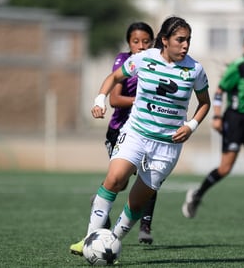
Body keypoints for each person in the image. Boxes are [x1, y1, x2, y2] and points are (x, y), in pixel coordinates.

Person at [70, 16, 210, 255]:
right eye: (180, 39)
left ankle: (111, 243)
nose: (185, 45)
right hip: (135, 133)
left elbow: (204, 102)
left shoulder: (194, 69)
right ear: (164, 41)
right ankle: (89, 239)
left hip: (167, 146)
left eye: (188, 40)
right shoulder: (144, 59)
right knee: (114, 179)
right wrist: (99, 100)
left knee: (136, 202)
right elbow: (114, 77)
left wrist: (192, 125)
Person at [182, 31, 244, 222]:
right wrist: (217, 116)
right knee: (225, 168)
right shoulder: (237, 67)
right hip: (234, 120)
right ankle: (197, 194)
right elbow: (220, 91)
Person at [98, 22, 157, 244]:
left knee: (149, 176)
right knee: (120, 182)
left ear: (152, 42)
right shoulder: (124, 62)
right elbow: (114, 99)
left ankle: (145, 227)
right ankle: (100, 199)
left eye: (145, 41)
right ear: (128, 43)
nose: (141, 46)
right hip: (119, 130)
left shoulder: (157, 62)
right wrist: (140, 101)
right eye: (136, 41)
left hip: (146, 130)